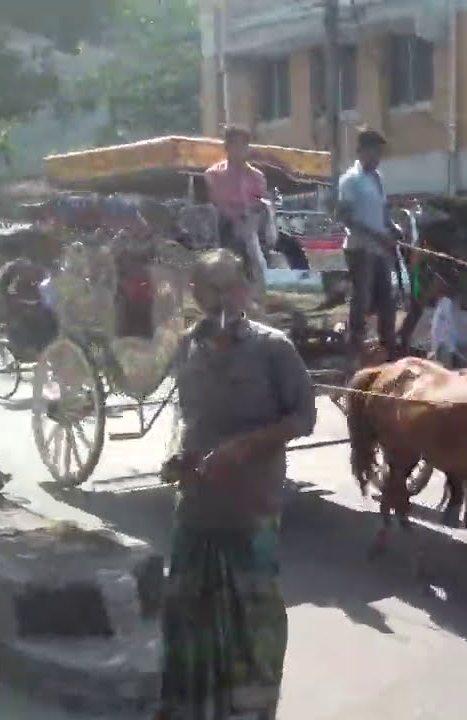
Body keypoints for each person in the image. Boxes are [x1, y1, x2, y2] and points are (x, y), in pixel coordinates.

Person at [157, 248, 317, 720]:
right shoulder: (187, 345)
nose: (221, 299)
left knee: (254, 624)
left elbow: (304, 417)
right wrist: (181, 459)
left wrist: (245, 448)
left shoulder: (274, 348)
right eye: (212, 289)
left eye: (230, 287)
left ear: (245, 290)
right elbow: (188, 416)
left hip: (251, 509)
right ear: (196, 293)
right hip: (196, 507)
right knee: (186, 614)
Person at [338, 127, 400, 366]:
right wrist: (376, 235)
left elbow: (383, 212)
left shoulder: (377, 178)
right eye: (374, 152)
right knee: (362, 299)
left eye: (380, 153)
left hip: (380, 249)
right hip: (359, 248)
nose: (377, 157)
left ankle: (388, 346)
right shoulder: (350, 180)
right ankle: (356, 347)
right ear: (362, 151)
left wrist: (392, 227)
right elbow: (346, 217)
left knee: (387, 299)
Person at [204, 124, 269, 266]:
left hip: (252, 226)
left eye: (244, 145)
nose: (240, 149)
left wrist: (251, 219)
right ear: (227, 147)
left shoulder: (257, 177)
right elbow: (218, 204)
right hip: (225, 225)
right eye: (235, 145)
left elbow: (261, 205)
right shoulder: (214, 175)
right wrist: (237, 219)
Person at [428, 276, 462, 368]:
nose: (433, 287)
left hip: (443, 347)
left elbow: (449, 325)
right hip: (439, 348)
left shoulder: (447, 303)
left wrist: (442, 346)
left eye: (435, 285)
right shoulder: (440, 303)